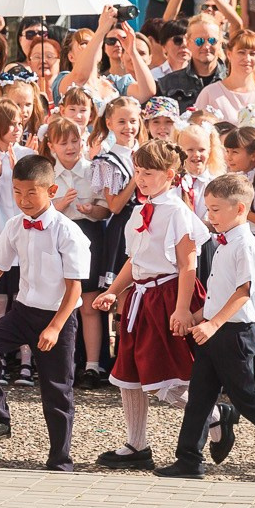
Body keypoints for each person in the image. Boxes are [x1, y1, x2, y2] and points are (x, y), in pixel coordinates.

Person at [155, 172, 255, 482]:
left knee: (247, 398)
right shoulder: (225, 243)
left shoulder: (246, 245)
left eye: (216, 209)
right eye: (208, 208)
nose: (208, 215)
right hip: (214, 330)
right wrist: (198, 315)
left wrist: (213, 324)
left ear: (240, 209)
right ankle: (189, 458)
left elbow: (243, 291)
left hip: (234, 335)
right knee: (200, 395)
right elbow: (221, 292)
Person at [0, 154, 88, 471]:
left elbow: (74, 290)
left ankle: (60, 457)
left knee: (56, 389)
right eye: (17, 192)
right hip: (23, 311)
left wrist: (55, 327)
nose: (23, 200)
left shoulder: (68, 232)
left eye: (31, 192)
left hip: (57, 317)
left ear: (51, 190)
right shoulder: (15, 225)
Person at [91, 140, 207, 470]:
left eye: (149, 173)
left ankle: (214, 414)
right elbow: (134, 260)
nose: (141, 179)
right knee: (129, 371)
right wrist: (114, 290)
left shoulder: (177, 213)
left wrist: (182, 309)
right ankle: (136, 445)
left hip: (167, 296)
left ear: (169, 175)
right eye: (138, 171)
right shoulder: (141, 210)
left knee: (164, 376)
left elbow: (187, 265)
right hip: (141, 297)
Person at [193, 30, 255, 122]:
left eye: (252, 54)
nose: (247, 59)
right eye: (241, 52)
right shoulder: (210, 93)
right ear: (229, 54)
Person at [155, 15, 228, 107]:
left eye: (212, 40)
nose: (206, 46)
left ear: (220, 43)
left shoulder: (233, 81)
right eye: (199, 41)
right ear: (188, 43)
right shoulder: (167, 85)